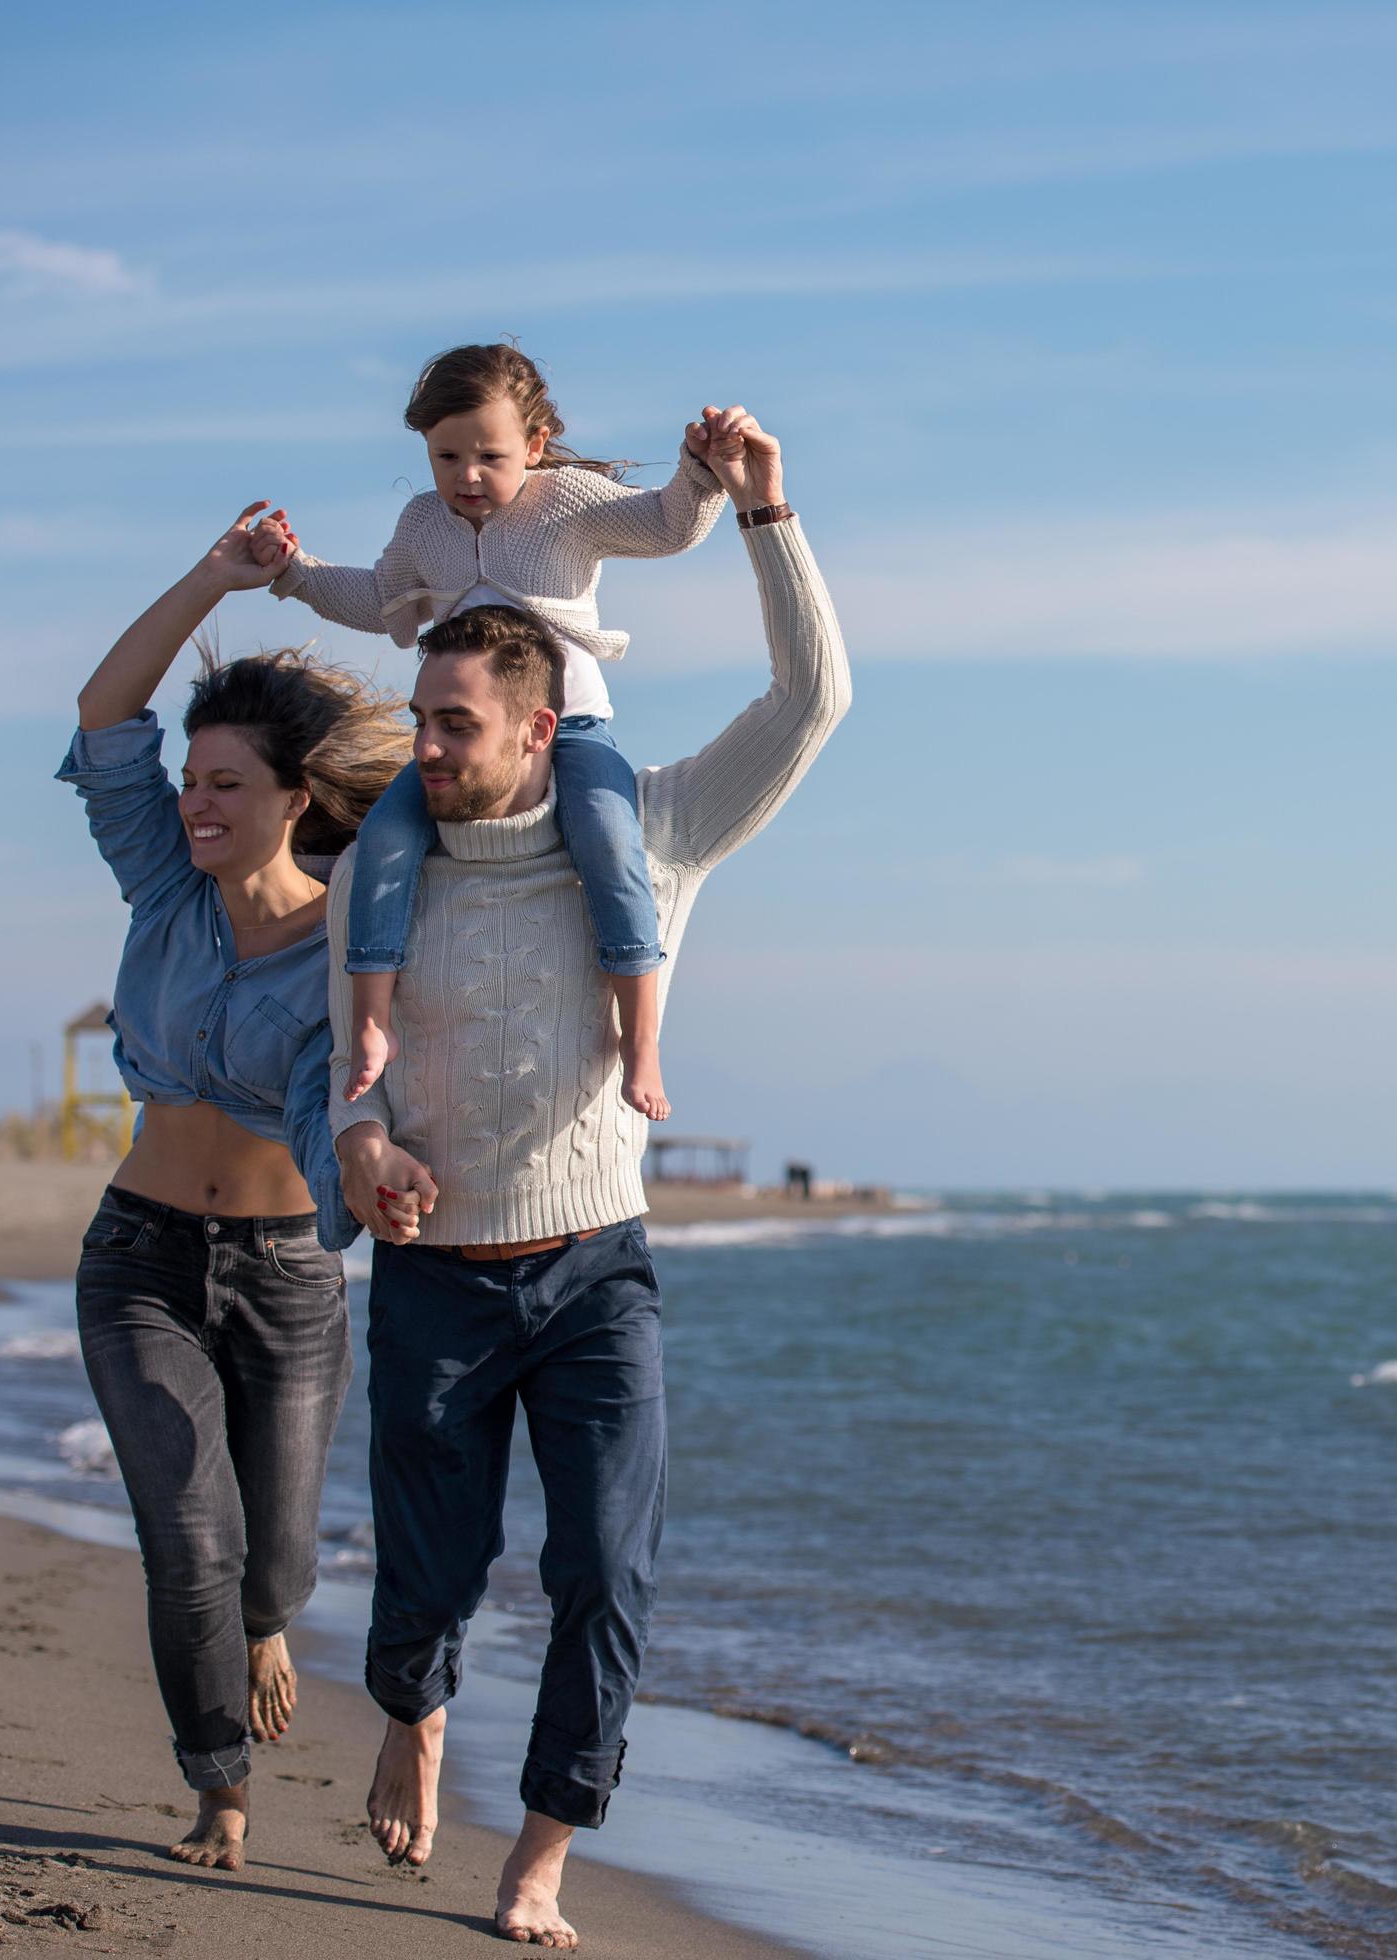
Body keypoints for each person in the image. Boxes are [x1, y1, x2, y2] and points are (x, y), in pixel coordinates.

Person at [329, 405, 844, 1949]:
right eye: (417, 718)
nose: (421, 748)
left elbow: (810, 703)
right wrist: (356, 1149)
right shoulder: (383, 861)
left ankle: (542, 1854)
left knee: (604, 1574)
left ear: (540, 727)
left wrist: (766, 518)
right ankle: (414, 1708)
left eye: (453, 726)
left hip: (592, 1273)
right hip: (432, 1275)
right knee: (426, 1582)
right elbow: (330, 1075)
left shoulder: (656, 829)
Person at [57, 504, 410, 1871]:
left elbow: (345, 1115)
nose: (196, 805)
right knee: (185, 1530)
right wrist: (217, 575)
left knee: (278, 1571)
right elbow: (104, 716)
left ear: (297, 802)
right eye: (192, 781)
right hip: (139, 1255)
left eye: (227, 787)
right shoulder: (162, 889)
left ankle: (266, 1623)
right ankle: (220, 1789)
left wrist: (376, 1178)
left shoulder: (354, 944)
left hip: (285, 1279)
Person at [258, 343, 731, 1127]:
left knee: (611, 844)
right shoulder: (423, 525)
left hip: (569, 728)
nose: (465, 476)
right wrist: (296, 571)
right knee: (380, 845)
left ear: (536, 446)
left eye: (489, 456)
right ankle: (372, 1023)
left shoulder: (566, 504)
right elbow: (380, 599)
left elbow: (669, 525)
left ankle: (641, 1038)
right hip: (463, 743)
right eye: (446, 456)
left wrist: (700, 468)